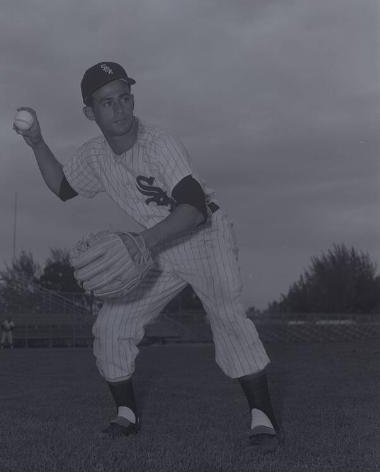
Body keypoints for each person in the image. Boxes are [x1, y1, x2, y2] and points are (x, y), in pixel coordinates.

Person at [14, 61, 281, 450]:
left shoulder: (159, 144)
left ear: (133, 99)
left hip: (205, 237)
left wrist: (142, 244)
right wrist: (37, 142)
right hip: (155, 245)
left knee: (226, 315)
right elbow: (62, 186)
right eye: (108, 102)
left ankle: (263, 417)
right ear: (90, 112)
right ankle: (127, 414)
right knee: (111, 326)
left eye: (125, 98)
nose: (119, 108)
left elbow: (194, 206)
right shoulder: (94, 156)